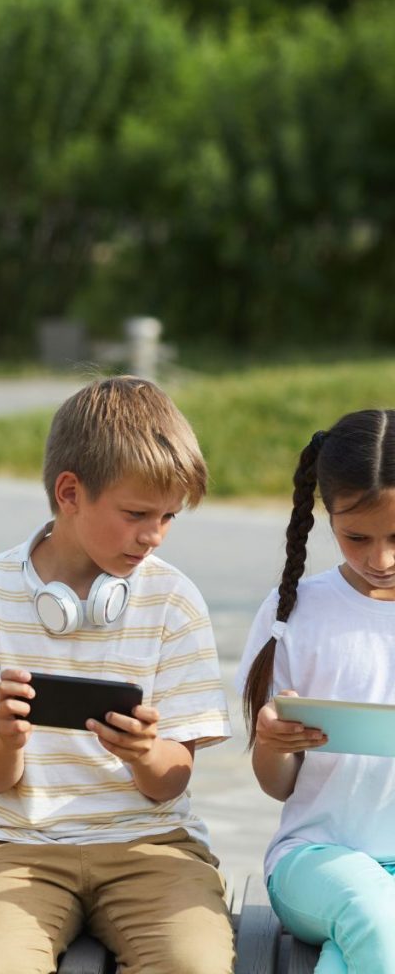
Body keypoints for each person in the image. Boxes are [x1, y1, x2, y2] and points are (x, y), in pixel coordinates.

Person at [0, 375, 234, 974]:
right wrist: (7, 741)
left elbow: (170, 781)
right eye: (137, 513)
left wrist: (145, 754)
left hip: (153, 847)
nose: (154, 536)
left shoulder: (173, 598)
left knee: (194, 964)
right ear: (70, 492)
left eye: (168, 517)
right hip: (13, 850)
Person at [239, 409, 395, 973]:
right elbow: (277, 786)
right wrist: (273, 744)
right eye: (357, 538)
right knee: (373, 912)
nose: (381, 560)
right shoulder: (295, 615)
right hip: (316, 859)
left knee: (371, 933)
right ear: (326, 516)